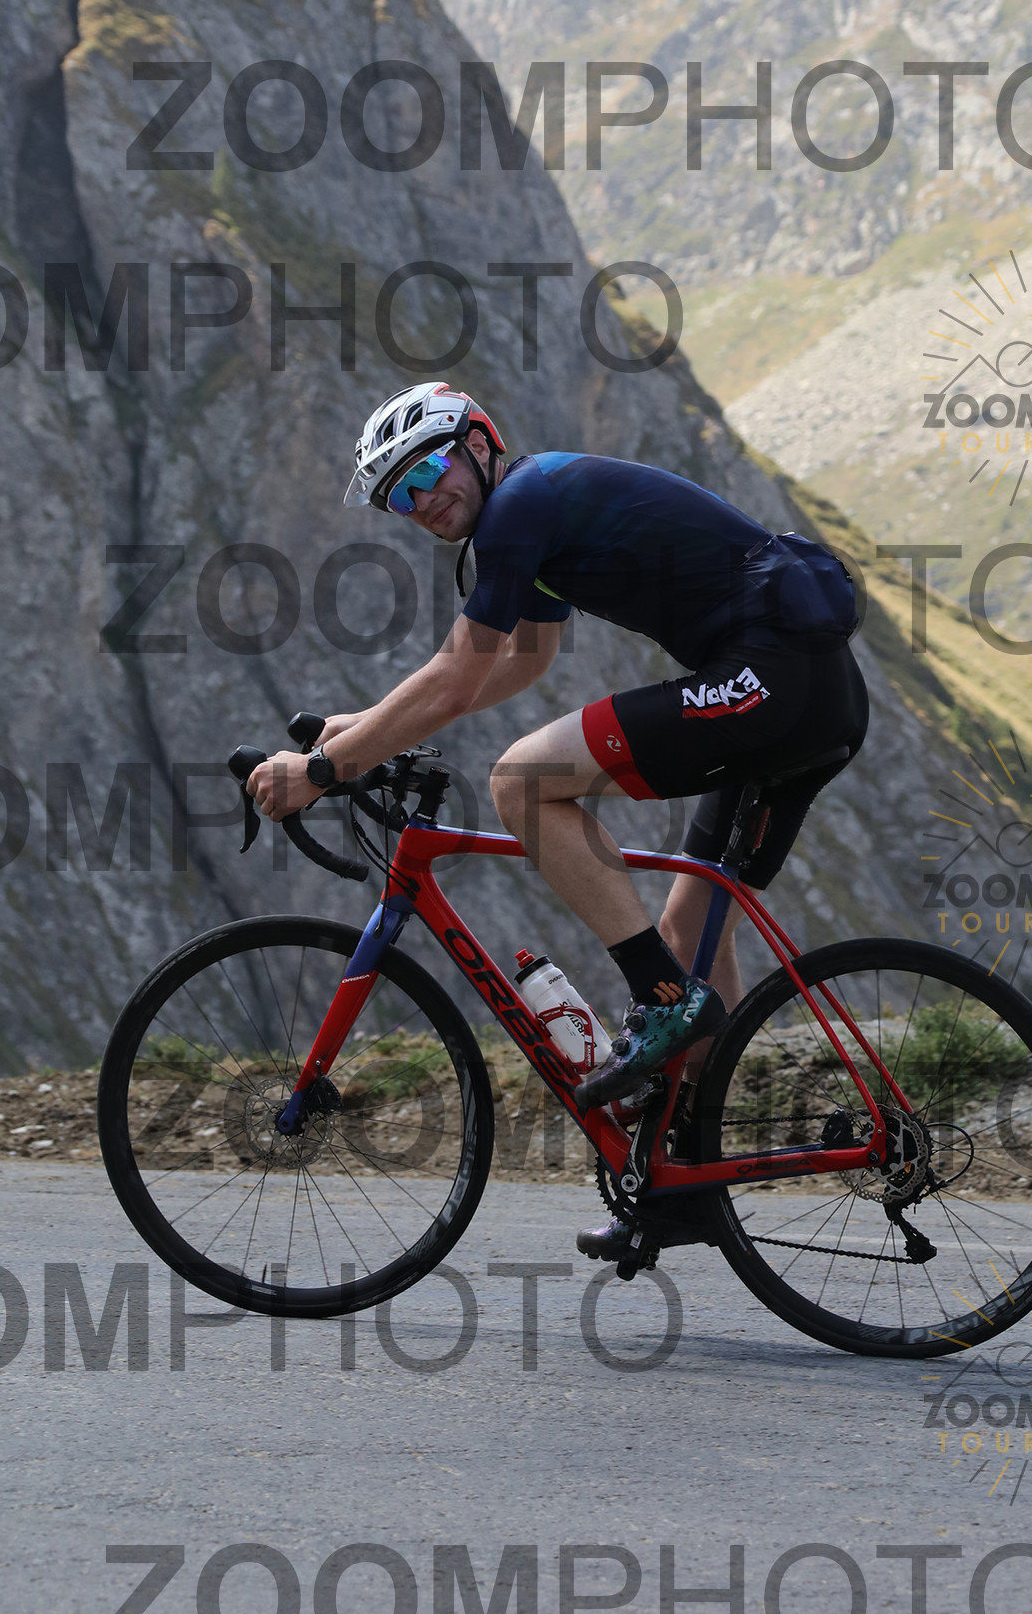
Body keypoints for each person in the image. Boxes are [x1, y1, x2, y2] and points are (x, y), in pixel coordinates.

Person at [248, 382, 868, 1249]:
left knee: (526, 781)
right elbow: (519, 665)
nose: (420, 503)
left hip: (770, 678)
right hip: (810, 693)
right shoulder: (532, 518)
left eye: (424, 472)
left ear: (478, 444)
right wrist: (364, 729)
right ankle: (692, 1181)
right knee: (692, 928)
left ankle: (659, 1000)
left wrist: (321, 770)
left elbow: (454, 680)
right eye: (397, 498)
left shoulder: (520, 505)